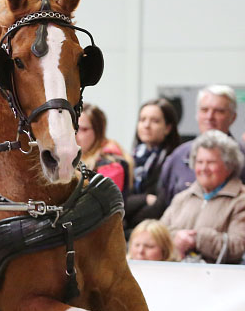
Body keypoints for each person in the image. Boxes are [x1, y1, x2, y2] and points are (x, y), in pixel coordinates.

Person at [160, 130, 245, 263]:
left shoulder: (240, 200)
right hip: (174, 275)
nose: (204, 168)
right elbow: (159, 234)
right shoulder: (182, 198)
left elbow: (238, 246)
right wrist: (176, 237)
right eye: (199, 162)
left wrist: (197, 239)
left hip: (219, 279)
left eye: (211, 162)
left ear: (229, 166)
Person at [159, 85, 245, 210]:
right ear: (197, 115)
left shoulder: (242, 156)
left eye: (219, 111)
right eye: (204, 110)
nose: (210, 117)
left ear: (233, 117)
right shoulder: (179, 156)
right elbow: (164, 204)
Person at [123, 98, 181, 231]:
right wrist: (145, 199)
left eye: (155, 121)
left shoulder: (174, 161)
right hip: (126, 230)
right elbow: (118, 202)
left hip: (157, 231)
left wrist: (130, 213)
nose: (146, 125)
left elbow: (161, 206)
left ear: (168, 128)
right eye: (142, 120)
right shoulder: (128, 159)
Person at [76, 104, 130, 191]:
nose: (75, 134)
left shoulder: (111, 166)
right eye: (74, 128)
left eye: (84, 129)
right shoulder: (69, 159)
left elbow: (104, 203)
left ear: (98, 132)